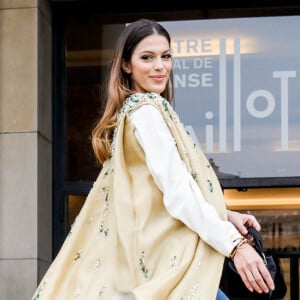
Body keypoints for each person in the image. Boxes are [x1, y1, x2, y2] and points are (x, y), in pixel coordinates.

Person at [31, 18, 275, 300]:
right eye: (147, 57)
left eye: (166, 56)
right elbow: (177, 191)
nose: (160, 66)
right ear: (126, 64)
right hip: (165, 264)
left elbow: (156, 191)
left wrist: (226, 215)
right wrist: (236, 247)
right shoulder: (146, 112)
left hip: (154, 262)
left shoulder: (135, 112)